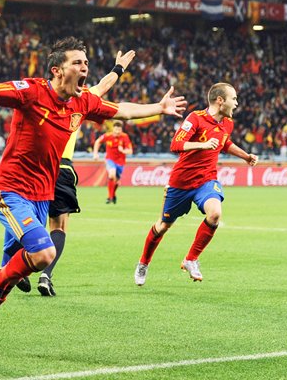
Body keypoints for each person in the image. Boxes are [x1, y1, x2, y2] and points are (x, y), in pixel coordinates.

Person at [0, 36, 186, 356]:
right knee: (42, 254)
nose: (84, 67)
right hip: (10, 190)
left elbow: (120, 108)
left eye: (86, 63)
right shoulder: (31, 91)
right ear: (57, 70)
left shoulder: (82, 101)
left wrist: (159, 106)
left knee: (4, 287)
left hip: (41, 197)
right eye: (77, 63)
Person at [134, 82, 258, 286]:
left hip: (206, 181)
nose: (236, 103)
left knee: (215, 213)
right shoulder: (195, 118)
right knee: (163, 225)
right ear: (220, 100)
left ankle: (191, 259)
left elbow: (224, 143)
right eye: (233, 99)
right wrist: (202, 144)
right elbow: (175, 144)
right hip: (181, 183)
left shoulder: (227, 123)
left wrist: (244, 156)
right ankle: (143, 263)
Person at [36, 51, 136, 297]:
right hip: (62, 167)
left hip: (35, 167)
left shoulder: (38, 98)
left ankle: (11, 268)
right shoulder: (79, 102)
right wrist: (118, 68)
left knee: (28, 223)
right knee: (59, 226)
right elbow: (103, 86)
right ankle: (46, 275)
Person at [92, 120, 133, 204]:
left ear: (121, 130)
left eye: (119, 130)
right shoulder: (108, 136)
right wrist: (95, 153)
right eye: (116, 130)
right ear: (113, 129)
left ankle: (113, 194)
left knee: (117, 181)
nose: (117, 132)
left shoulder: (125, 137)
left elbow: (130, 151)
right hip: (110, 159)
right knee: (111, 174)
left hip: (121, 162)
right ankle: (110, 197)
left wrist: (123, 151)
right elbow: (97, 142)